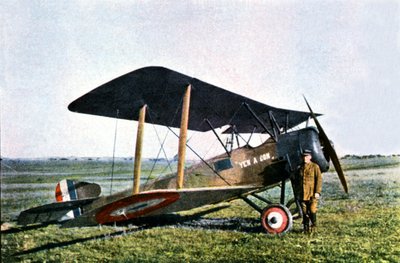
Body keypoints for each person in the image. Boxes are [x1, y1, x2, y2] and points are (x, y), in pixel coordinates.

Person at [295, 149, 323, 233]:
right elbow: (296, 181)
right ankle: (306, 229)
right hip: (302, 195)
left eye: (306, 156)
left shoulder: (315, 167)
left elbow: (319, 180)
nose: (305, 158)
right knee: (304, 212)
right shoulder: (299, 168)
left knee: (312, 210)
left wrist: (317, 192)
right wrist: (297, 193)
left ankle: (314, 227)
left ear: (310, 157)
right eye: (303, 156)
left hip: (312, 194)